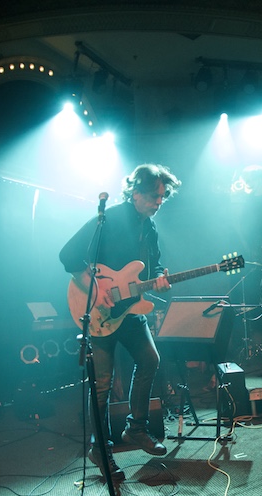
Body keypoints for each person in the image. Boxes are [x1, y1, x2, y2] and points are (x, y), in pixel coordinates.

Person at [59, 163, 182, 478]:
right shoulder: (109, 218)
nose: (159, 202)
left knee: (150, 360)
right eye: (155, 196)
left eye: (163, 197)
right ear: (136, 193)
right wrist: (96, 289)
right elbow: (69, 255)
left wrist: (160, 278)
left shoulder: (149, 228)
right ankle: (99, 449)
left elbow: (153, 267)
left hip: (129, 310)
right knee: (101, 385)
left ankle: (136, 427)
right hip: (98, 310)